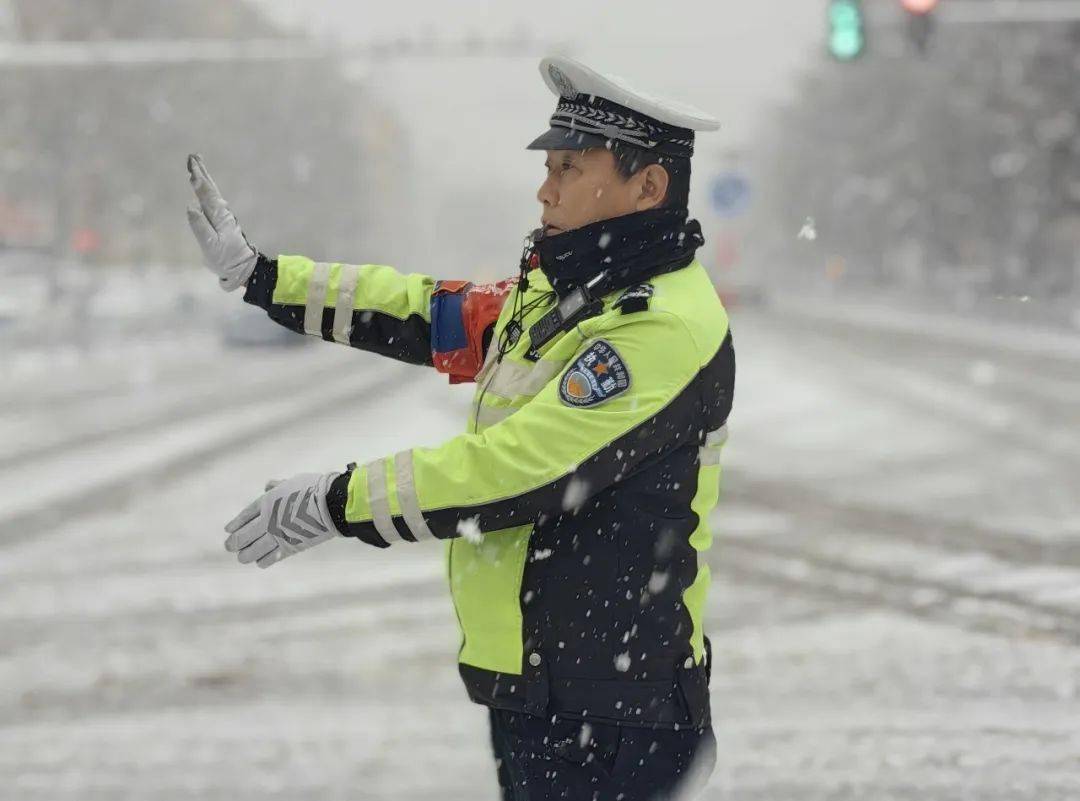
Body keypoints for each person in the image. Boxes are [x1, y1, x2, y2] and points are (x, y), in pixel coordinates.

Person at [186, 54, 735, 801]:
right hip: (555, 695)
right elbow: (423, 311)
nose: (545, 188)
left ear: (649, 187)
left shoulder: (657, 326)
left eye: (570, 168)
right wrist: (262, 276)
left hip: (615, 715)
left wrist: (337, 501)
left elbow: (514, 470)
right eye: (550, 166)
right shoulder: (569, 299)